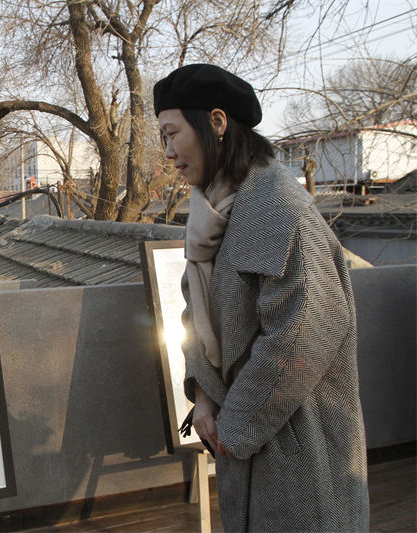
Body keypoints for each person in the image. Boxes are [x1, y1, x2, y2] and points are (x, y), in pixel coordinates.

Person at [153, 64, 369, 532]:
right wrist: (206, 397)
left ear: (216, 122)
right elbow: (198, 317)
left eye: (172, 134)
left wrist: (233, 427)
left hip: (301, 451)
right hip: (247, 448)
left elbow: (305, 332)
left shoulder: (279, 210)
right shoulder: (214, 213)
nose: (168, 153)